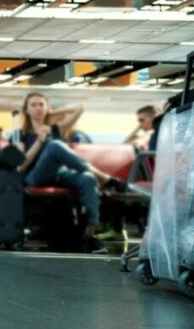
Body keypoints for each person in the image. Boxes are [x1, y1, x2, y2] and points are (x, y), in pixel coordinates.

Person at [15, 92, 124, 252]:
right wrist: (39, 141)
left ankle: (90, 233)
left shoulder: (54, 129)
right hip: (35, 178)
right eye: (33, 105)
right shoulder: (20, 134)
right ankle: (105, 178)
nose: (38, 108)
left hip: (59, 175)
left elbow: (79, 108)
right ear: (26, 110)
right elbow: (21, 166)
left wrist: (51, 112)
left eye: (41, 104)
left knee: (87, 178)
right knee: (54, 146)